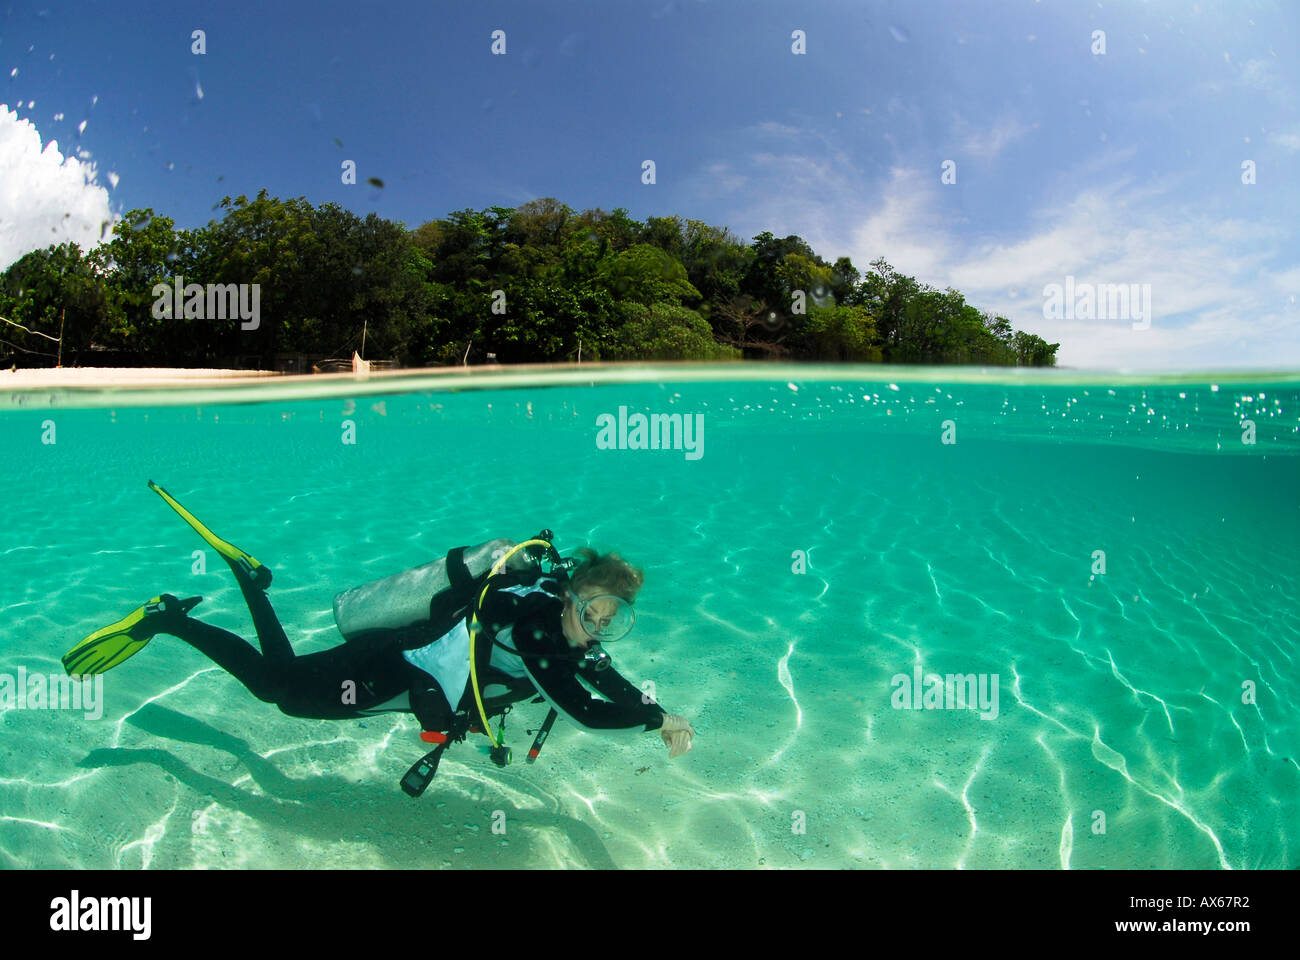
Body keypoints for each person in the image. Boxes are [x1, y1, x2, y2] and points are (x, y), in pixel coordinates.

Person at [63, 482, 696, 789]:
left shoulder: (555, 620)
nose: (596, 628)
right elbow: (582, 709)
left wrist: (652, 704)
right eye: (592, 610)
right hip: (384, 667)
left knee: (281, 676)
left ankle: (248, 578)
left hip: (400, 662)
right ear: (571, 591)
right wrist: (655, 719)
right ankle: (169, 616)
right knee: (275, 690)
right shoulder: (534, 628)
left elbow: (600, 672)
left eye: (610, 618)